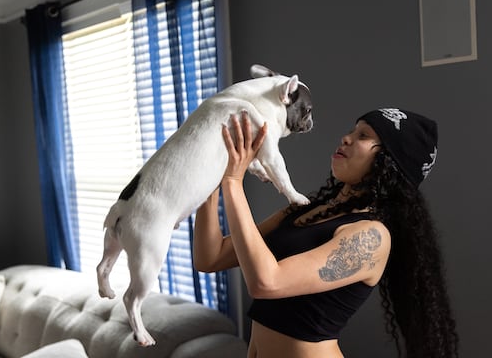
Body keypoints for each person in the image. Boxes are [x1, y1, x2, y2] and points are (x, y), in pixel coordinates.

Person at [193, 108, 459, 358]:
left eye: (363, 136)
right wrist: (212, 180)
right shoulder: (307, 210)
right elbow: (211, 258)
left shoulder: (371, 236)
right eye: (353, 131)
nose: (346, 138)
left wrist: (233, 182)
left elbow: (267, 282)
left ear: (389, 162)